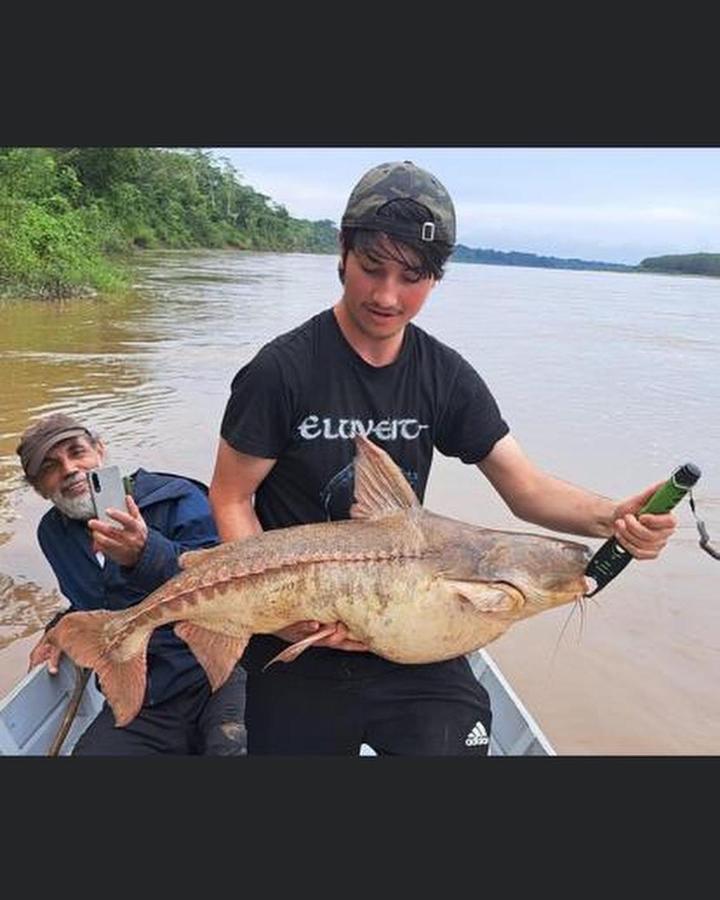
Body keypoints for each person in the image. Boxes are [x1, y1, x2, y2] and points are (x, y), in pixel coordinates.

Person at [208, 160, 677, 756]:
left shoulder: (445, 376)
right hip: (301, 636)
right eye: (371, 269)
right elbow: (231, 496)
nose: (386, 295)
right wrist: (281, 618)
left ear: (436, 278)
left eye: (411, 277)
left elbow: (525, 488)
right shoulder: (282, 370)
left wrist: (616, 518)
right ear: (343, 252)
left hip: (414, 630)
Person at [17, 412, 247, 755]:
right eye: (50, 467)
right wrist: (59, 628)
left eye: (76, 452)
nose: (68, 469)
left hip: (214, 674)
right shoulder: (53, 534)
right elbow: (88, 601)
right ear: (39, 488)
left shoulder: (178, 498)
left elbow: (234, 582)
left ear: (100, 450)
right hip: (139, 696)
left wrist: (145, 553)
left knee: (229, 750)